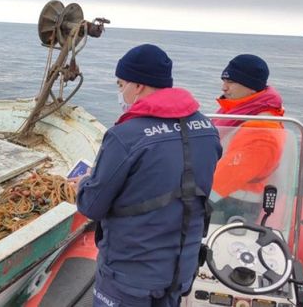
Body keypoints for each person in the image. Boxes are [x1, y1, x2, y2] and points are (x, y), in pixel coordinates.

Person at [72, 44, 222, 307]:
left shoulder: (125, 136)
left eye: (121, 85)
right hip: (181, 268)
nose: (120, 93)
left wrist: (84, 183)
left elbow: (92, 206)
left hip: (130, 274)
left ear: (138, 86)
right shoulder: (207, 128)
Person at [209, 54, 286, 224]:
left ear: (251, 87)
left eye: (230, 82)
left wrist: (192, 202)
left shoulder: (261, 128)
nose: (224, 88)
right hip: (226, 198)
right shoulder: (238, 113)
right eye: (224, 81)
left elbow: (226, 177)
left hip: (233, 205)